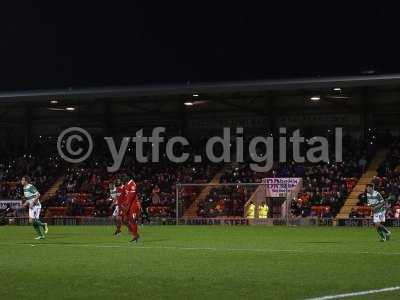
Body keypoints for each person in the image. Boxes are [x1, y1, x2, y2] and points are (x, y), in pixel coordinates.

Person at [125, 175, 141, 243]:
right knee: (127, 220)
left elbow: (132, 196)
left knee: (133, 221)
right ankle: (135, 235)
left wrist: (127, 205)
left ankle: (135, 236)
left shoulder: (132, 184)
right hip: (130, 205)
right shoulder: (128, 184)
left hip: (133, 205)